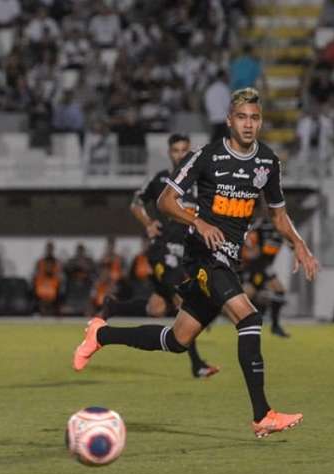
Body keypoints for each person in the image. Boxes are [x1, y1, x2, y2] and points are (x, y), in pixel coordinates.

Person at [73, 88, 320, 438]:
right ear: (229, 121)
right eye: (242, 118)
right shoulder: (207, 157)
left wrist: (300, 244)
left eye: (255, 118)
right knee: (249, 318)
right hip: (202, 255)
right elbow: (165, 201)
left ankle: (101, 334)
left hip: (227, 257)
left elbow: (279, 216)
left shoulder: (268, 162)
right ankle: (262, 414)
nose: (249, 124)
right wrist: (199, 222)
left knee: (177, 340)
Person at [102, 133, 218, 378]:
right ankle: (197, 364)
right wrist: (148, 223)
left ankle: (114, 306)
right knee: (183, 302)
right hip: (162, 251)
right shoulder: (161, 180)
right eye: (175, 150)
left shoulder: (198, 182)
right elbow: (136, 203)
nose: (179, 155)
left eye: (184, 150)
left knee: (156, 308)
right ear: (169, 153)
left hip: (185, 253)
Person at [241, 203, 290, 337]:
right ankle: (271, 325)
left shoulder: (281, 227)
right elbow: (251, 243)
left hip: (264, 265)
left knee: (249, 294)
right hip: (258, 265)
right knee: (250, 294)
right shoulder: (261, 225)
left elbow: (289, 242)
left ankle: (273, 325)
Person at [33, 241, 62, 315]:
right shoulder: (40, 262)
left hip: (53, 293)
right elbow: (35, 277)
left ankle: (51, 312)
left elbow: (59, 279)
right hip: (42, 291)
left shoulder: (57, 263)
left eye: (51, 248)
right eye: (48, 248)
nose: (48, 267)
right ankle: (40, 311)